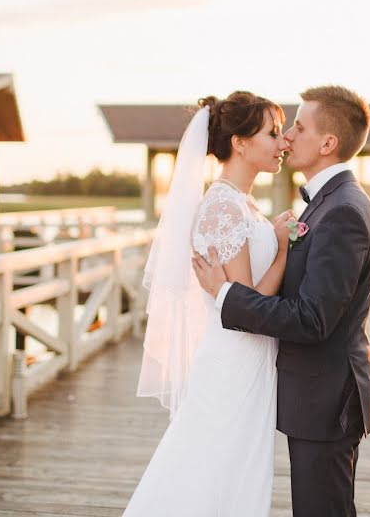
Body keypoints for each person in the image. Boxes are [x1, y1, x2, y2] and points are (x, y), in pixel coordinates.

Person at [193, 85, 370, 517]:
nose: (288, 136)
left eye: (297, 126)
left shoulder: (343, 211)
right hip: (308, 393)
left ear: (328, 143)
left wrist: (224, 296)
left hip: (326, 398)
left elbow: (313, 318)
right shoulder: (329, 205)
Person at [124, 91, 292, 516]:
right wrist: (284, 249)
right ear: (240, 142)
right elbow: (249, 306)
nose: (283, 143)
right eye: (272, 134)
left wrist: (270, 234)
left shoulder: (242, 204)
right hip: (233, 359)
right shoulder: (222, 209)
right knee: (214, 470)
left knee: (233, 470)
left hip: (249, 360)